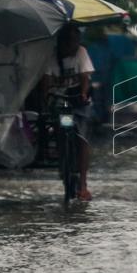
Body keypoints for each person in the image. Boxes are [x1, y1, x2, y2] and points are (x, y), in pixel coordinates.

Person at [43, 23, 95, 200]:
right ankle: (63, 161)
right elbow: (46, 80)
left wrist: (83, 92)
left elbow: (85, 78)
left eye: (76, 40)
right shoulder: (52, 55)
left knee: (82, 138)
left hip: (78, 102)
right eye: (71, 41)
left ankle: (83, 184)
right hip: (59, 102)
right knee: (60, 130)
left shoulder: (81, 52)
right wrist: (45, 100)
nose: (74, 44)